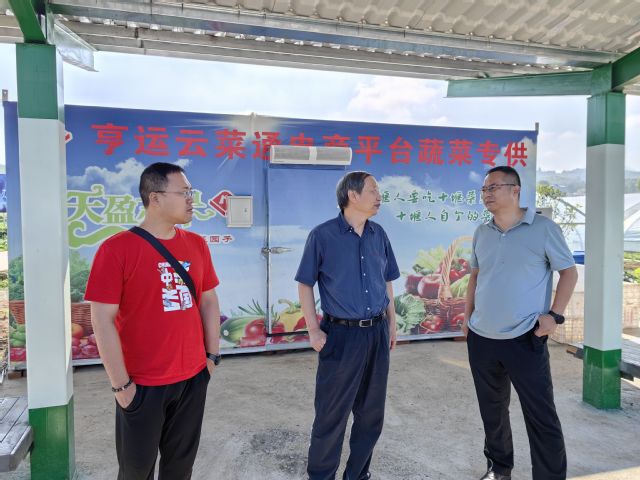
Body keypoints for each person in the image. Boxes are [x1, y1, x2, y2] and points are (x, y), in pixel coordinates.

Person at [85, 162, 222, 480]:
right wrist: (121, 386)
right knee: (136, 471)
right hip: (142, 384)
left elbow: (208, 300)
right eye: (184, 192)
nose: (191, 199)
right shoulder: (116, 249)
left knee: (180, 468)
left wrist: (212, 357)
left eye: (191, 192)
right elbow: (102, 320)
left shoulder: (197, 245)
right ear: (155, 198)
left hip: (193, 378)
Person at [463, 165, 578, 480]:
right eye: (484, 189)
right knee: (492, 411)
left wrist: (554, 315)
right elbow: (475, 277)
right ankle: (499, 470)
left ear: (515, 190)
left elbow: (569, 273)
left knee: (541, 415)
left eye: (493, 187)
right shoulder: (482, 232)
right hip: (482, 338)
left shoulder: (543, 228)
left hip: (526, 337)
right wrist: (467, 318)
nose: (486, 194)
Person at [296, 171, 400, 480]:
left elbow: (387, 281)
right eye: (373, 190)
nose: (379, 196)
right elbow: (305, 283)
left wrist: (392, 323)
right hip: (341, 335)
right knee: (331, 415)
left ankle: (357, 475)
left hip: (377, 333)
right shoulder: (322, 236)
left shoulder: (379, 234)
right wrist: (313, 330)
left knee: (371, 415)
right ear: (352, 196)